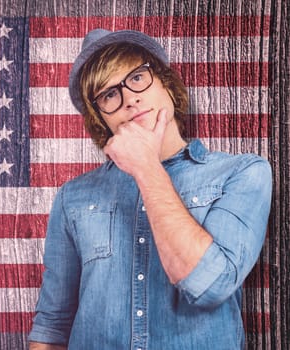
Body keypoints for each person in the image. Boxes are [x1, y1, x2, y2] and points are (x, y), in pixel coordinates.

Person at [28, 29, 272, 349]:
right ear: (101, 118)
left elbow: (209, 284)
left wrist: (146, 166)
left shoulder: (242, 173)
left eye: (138, 77)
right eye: (109, 94)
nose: (130, 98)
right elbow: (52, 325)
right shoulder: (73, 197)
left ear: (166, 84)